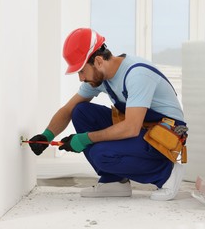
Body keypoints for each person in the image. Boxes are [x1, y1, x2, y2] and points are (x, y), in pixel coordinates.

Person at [29, 28, 187, 201]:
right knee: (81, 111)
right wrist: (47, 135)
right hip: (142, 127)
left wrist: (85, 138)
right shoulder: (100, 77)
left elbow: (131, 128)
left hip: (165, 134)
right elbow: (68, 109)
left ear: (97, 61)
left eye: (81, 71)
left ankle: (166, 173)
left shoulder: (136, 74)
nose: (80, 78)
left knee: (101, 154)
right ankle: (114, 182)